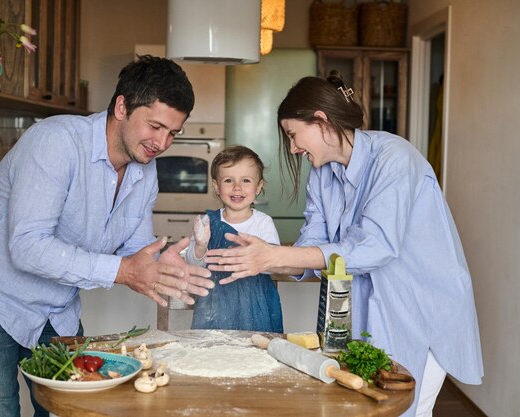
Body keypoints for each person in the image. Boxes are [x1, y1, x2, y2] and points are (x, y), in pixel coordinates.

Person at [0, 55, 214, 417]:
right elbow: (27, 247)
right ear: (121, 107)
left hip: (55, 307)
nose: (162, 143)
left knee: (69, 409)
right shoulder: (56, 142)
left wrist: (160, 264)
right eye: (155, 126)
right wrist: (126, 271)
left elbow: (133, 252)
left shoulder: (144, 172)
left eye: (173, 133)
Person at [205, 72, 483, 417]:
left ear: (321, 121)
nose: (293, 148)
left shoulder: (394, 158)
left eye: (293, 135)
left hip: (421, 308)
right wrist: (262, 258)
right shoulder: (322, 176)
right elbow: (311, 250)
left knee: (403, 411)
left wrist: (276, 255)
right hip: (367, 313)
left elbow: (376, 246)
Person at [185, 145, 283, 332]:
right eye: (229, 180)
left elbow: (273, 264)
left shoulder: (263, 223)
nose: (237, 187)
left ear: (259, 187)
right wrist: (200, 245)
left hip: (256, 304)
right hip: (214, 306)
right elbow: (193, 264)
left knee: (256, 355)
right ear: (216, 186)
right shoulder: (207, 222)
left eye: (246, 180)